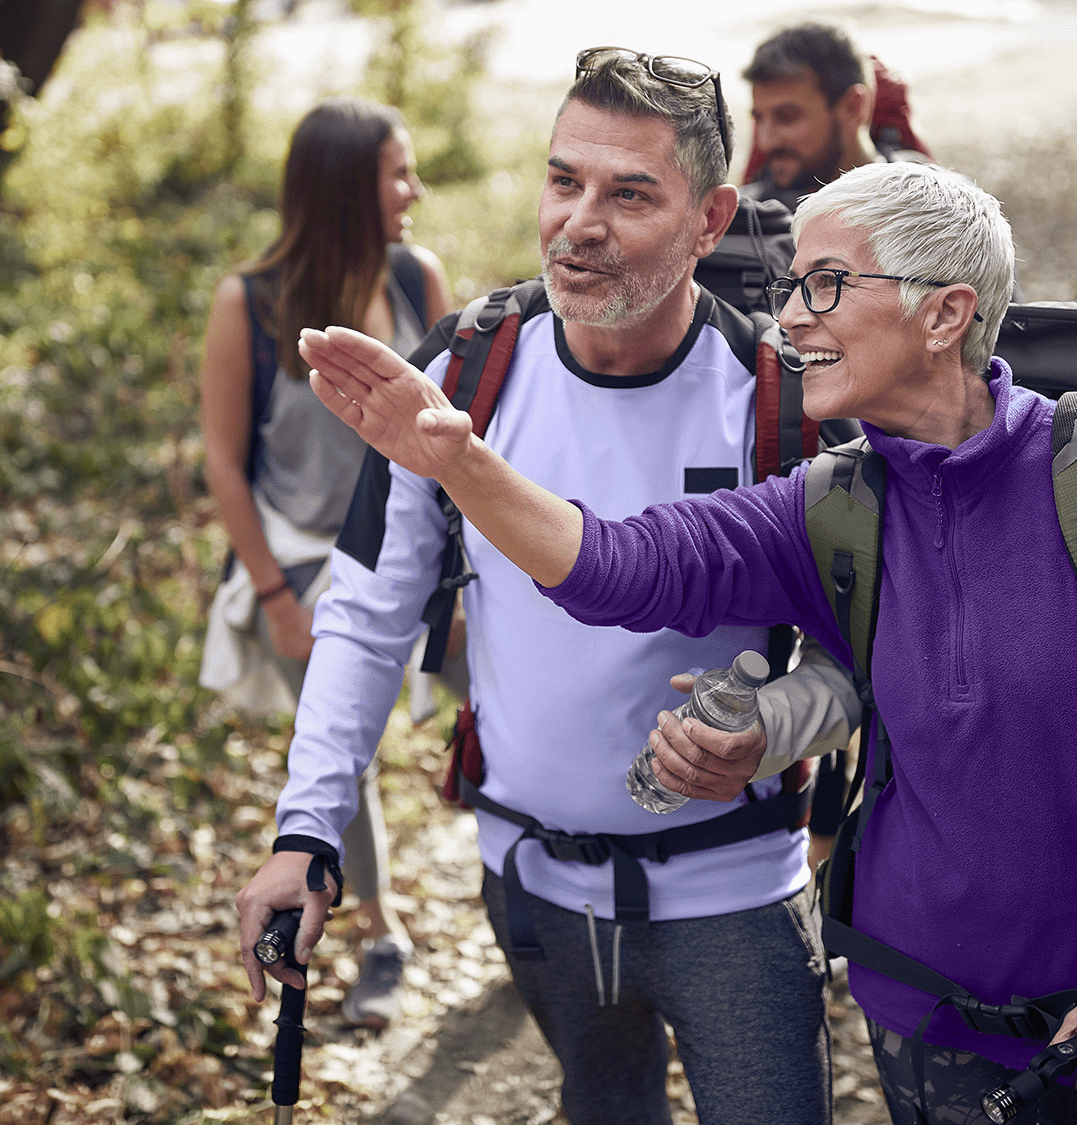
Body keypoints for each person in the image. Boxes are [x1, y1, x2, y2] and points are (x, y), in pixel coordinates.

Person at [298, 159, 1077, 1123]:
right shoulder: (827, 508)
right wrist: (459, 461)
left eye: (824, 284)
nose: (791, 318)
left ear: (942, 314)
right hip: (920, 1019)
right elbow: (617, 568)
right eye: (790, 287)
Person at [235, 49, 861, 1125]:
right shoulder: (463, 376)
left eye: (628, 194)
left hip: (734, 893)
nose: (579, 222)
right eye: (563, 180)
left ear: (709, 221)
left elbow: (867, 652)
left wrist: (777, 722)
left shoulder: (776, 403)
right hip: (531, 889)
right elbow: (366, 616)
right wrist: (307, 832)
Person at [197, 97, 454, 1028]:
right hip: (307, 563)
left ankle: (539, 876)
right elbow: (223, 461)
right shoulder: (250, 303)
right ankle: (385, 933)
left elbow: (460, 435)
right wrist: (271, 593)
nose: (413, 189)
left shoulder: (417, 280)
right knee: (339, 742)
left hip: (423, 552)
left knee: (510, 682)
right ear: (349, 187)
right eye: (398, 172)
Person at [742, 23, 928, 211]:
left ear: (853, 107)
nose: (766, 141)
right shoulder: (737, 217)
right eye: (758, 119)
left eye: (787, 117)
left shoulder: (931, 207)